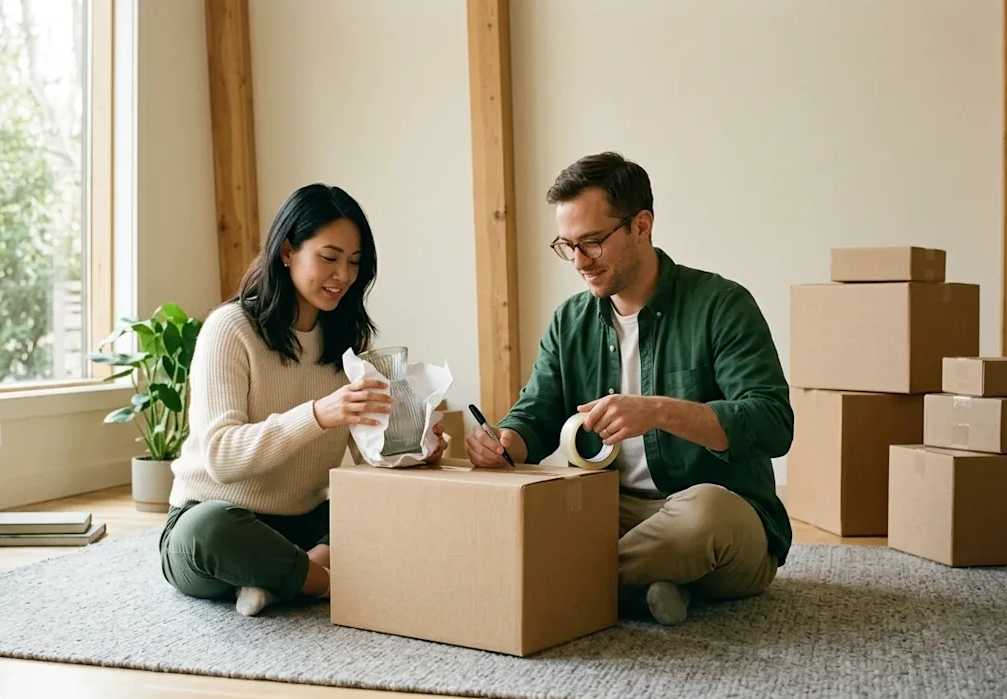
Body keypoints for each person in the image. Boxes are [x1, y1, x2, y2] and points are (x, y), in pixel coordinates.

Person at [466, 152, 793, 626]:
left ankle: (553, 588)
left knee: (704, 513)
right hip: (613, 510)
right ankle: (644, 587)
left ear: (642, 225)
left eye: (593, 242)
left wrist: (658, 411)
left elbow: (772, 424)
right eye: (567, 245)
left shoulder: (722, 305)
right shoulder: (570, 321)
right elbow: (536, 410)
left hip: (717, 522)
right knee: (532, 507)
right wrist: (506, 440)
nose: (579, 261)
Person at [159, 183, 447, 616]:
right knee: (208, 531)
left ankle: (286, 578)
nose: (344, 276)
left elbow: (369, 454)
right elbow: (220, 455)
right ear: (287, 251)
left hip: (303, 525)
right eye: (329, 258)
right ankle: (324, 581)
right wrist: (317, 414)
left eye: (354, 263)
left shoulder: (347, 341)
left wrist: (417, 447)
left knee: (385, 507)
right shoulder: (229, 329)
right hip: (216, 517)